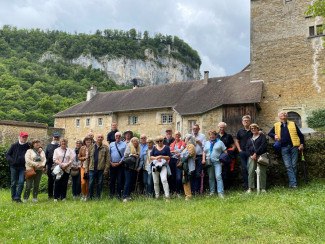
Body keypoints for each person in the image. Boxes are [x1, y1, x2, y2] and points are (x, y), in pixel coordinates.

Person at [268, 111, 304, 189]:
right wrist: (275, 135)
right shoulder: (276, 125)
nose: (284, 114)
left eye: (285, 114)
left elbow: (300, 135)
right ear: (279, 117)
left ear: (287, 116)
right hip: (283, 148)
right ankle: (293, 183)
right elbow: (269, 133)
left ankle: (292, 184)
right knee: (288, 166)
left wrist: (301, 144)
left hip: (294, 147)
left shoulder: (293, 124)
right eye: (282, 114)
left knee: (294, 165)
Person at [6, 132, 30, 203]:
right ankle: (13, 197)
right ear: (20, 137)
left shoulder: (28, 145)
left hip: (23, 167)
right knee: (13, 183)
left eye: (26, 137)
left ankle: (17, 197)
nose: (24, 138)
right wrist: (12, 161)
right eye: (23, 137)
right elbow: (7, 155)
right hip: (14, 167)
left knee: (21, 182)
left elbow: (36, 145)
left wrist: (40, 148)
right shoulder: (14, 145)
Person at [203, 130, 227, 198]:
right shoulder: (207, 143)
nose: (211, 136)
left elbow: (225, 152)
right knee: (211, 177)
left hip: (217, 162)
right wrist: (203, 159)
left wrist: (223, 161)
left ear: (215, 135)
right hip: (209, 162)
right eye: (210, 135)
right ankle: (212, 192)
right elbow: (204, 152)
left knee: (218, 176)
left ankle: (220, 193)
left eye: (213, 134)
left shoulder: (220, 142)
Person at [85, 134, 110, 200]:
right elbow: (87, 159)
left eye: (101, 137)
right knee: (90, 183)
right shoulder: (91, 147)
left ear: (103, 138)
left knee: (100, 183)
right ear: (96, 138)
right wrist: (86, 169)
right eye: (98, 137)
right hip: (92, 168)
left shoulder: (105, 147)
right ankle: (91, 196)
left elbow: (108, 159)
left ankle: (98, 196)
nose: (100, 138)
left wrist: (106, 169)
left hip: (101, 169)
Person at [246, 124, 267, 193]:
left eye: (254, 128)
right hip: (252, 157)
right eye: (252, 128)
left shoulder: (262, 136)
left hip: (262, 156)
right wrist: (251, 155)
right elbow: (247, 148)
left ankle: (263, 188)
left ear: (258, 129)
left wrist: (256, 153)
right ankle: (250, 188)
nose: (253, 129)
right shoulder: (249, 138)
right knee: (251, 172)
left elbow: (263, 145)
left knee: (262, 172)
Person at [150, 135, 171, 201]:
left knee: (164, 179)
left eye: (161, 141)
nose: (159, 142)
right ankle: (157, 196)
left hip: (163, 166)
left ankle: (167, 196)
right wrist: (156, 158)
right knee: (155, 182)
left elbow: (169, 157)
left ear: (163, 141)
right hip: (155, 166)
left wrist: (161, 156)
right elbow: (151, 157)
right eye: (157, 141)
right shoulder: (154, 148)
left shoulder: (167, 148)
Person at [235, 115, 253, 190]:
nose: (246, 121)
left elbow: (260, 132)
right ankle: (247, 186)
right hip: (243, 152)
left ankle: (251, 186)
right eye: (244, 120)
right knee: (244, 169)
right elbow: (237, 141)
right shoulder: (240, 131)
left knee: (250, 169)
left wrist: (260, 131)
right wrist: (239, 149)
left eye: (247, 120)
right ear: (242, 122)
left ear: (250, 121)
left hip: (251, 153)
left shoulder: (253, 129)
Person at [217, 122, 236, 190]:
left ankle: (225, 188)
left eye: (223, 127)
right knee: (217, 173)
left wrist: (229, 152)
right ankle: (218, 188)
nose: (221, 129)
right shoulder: (215, 136)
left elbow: (233, 146)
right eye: (220, 127)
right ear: (218, 128)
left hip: (225, 157)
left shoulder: (228, 136)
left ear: (225, 128)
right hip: (217, 156)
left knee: (225, 172)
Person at [109, 132, 126, 199]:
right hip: (112, 164)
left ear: (121, 137)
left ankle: (119, 194)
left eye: (119, 136)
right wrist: (110, 162)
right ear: (114, 137)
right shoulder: (111, 144)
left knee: (119, 180)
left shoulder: (124, 145)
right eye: (116, 136)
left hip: (120, 165)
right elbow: (109, 154)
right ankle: (111, 194)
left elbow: (125, 155)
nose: (118, 137)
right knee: (112, 180)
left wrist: (119, 162)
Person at [123, 137, 141, 202]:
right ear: (132, 141)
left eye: (136, 141)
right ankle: (125, 196)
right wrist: (133, 155)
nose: (135, 142)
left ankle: (128, 195)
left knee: (130, 182)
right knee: (127, 182)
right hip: (128, 167)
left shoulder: (138, 148)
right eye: (134, 141)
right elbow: (125, 155)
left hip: (134, 168)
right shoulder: (129, 146)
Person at [191, 124, 206, 195]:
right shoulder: (190, 136)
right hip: (191, 158)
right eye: (194, 129)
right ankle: (192, 191)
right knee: (192, 174)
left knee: (198, 174)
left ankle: (196, 191)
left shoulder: (202, 136)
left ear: (199, 129)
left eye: (196, 129)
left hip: (199, 157)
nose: (195, 130)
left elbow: (205, 147)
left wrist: (198, 141)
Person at [169, 131, 185, 196]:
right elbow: (169, 152)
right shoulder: (172, 144)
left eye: (178, 135)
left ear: (180, 136)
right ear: (174, 136)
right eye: (176, 135)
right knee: (172, 177)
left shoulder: (183, 143)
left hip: (179, 161)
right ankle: (173, 191)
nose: (177, 136)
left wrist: (175, 151)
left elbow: (182, 150)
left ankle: (178, 192)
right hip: (172, 160)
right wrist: (175, 152)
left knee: (178, 177)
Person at [44, 132, 60, 199]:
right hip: (50, 165)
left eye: (57, 137)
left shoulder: (60, 146)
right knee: (50, 180)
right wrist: (44, 166)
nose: (56, 138)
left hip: (58, 165)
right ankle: (50, 195)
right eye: (55, 137)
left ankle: (57, 194)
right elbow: (45, 156)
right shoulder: (48, 146)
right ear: (53, 137)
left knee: (58, 179)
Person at [180, 134, 196, 200]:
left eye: (185, 138)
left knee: (186, 180)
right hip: (186, 166)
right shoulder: (187, 146)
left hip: (189, 166)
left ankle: (188, 195)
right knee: (186, 180)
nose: (185, 139)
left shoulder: (191, 146)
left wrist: (182, 158)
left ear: (189, 139)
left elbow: (190, 154)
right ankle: (187, 195)